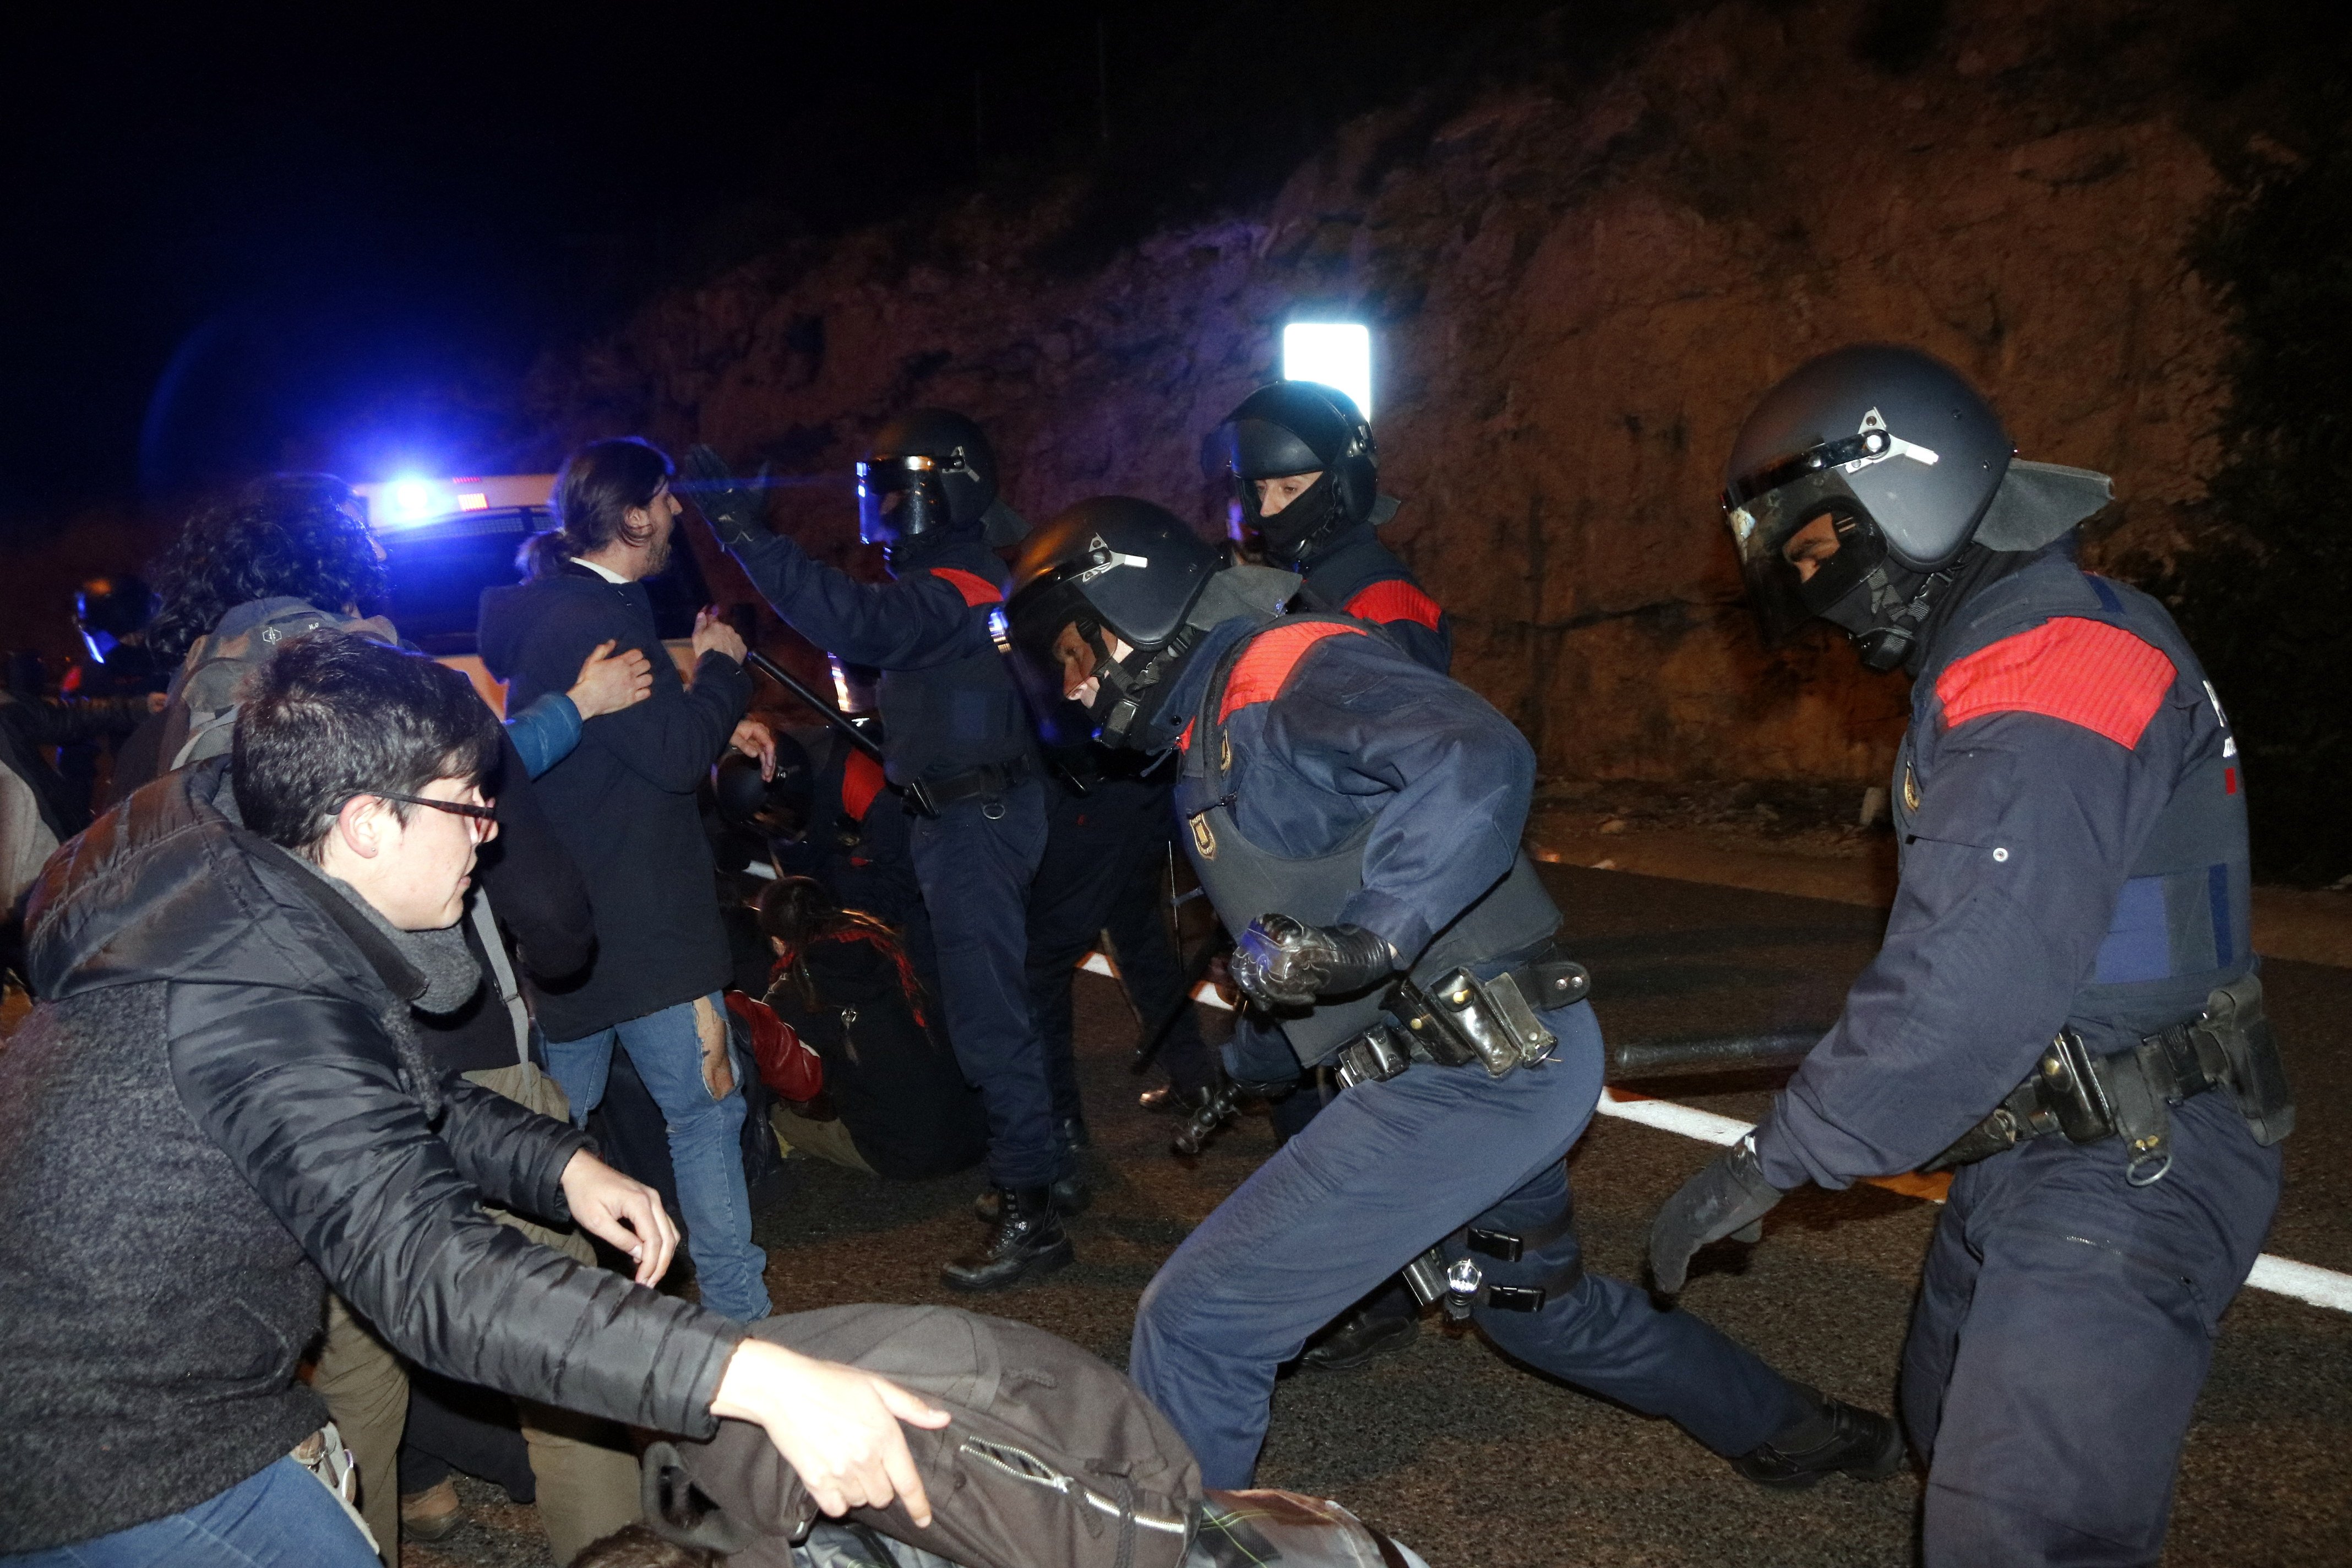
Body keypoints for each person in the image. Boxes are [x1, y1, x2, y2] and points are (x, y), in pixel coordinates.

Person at [1005, 496, 1902, 1491]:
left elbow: (1472, 752)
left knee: (1199, 1322)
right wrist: (1251, 1062)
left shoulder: (1274, 672)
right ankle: (1797, 1426)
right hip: (1484, 1060)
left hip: (1472, 1073)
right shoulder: (1216, 723)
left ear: (1128, 601)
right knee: (1539, 1310)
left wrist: (1374, 934)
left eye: (1078, 655)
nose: (1077, 689)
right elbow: (1305, 920)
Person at [0, 630, 948, 1567]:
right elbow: (436, 1274)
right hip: (96, 1440)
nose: (488, 831)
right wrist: (752, 1373)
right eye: (465, 805)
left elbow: (394, 1102)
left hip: (105, 1398)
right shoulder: (259, 998)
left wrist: (556, 1160)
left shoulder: (251, 912)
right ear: (368, 821)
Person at [1648, 344, 2291, 1566]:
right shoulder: (2016, 642)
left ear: (1906, 489)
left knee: (2016, 1538)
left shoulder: (2052, 664)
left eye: (1815, 549)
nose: (1819, 595)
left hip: (2130, 1159)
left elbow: (1971, 977)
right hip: (2041, 1126)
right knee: (1942, 1415)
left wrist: (1776, 1155)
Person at [684, 413, 1069, 1293]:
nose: (889, 513)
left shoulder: (962, 584)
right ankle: (1039, 1165)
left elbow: (855, 621)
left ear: (952, 492)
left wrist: (749, 538)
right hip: (958, 815)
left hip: (979, 823)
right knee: (987, 1003)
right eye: (883, 495)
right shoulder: (956, 578)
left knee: (989, 1016)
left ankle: (1032, 1211)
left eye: (904, 495)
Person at [478, 437, 778, 1325]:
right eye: (667, 498)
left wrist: (715, 719)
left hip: (573, 932)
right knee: (703, 1119)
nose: (680, 513)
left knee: (555, 1137)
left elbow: (621, 751)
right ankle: (739, 1324)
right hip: (646, 931)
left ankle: (549, 1321)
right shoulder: (601, 615)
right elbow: (675, 757)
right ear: (633, 514)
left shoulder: (550, 610)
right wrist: (723, 666)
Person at [1211, 381, 1454, 1368]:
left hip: (1354, 875)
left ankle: (1377, 1284)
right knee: (1309, 1083)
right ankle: (1332, 1272)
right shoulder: (1297, 578)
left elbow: (1415, 746)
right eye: (1255, 492)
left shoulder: (1373, 589)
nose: (1266, 510)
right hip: (1304, 862)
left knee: (1348, 1088)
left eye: (1288, 488)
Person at [1215, 380, 1447, 672]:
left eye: (1289, 489)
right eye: (1261, 490)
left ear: (1343, 488)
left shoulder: (1387, 607)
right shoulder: (1290, 581)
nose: (1267, 509)